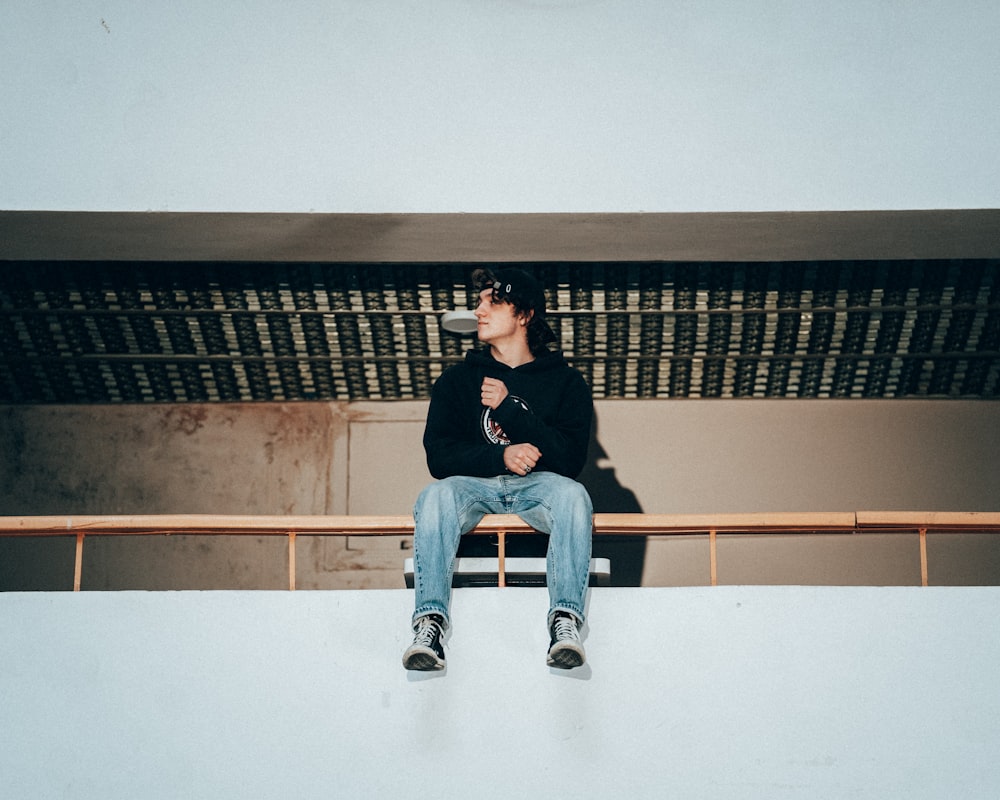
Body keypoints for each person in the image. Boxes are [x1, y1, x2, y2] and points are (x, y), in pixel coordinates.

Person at [402, 267, 595, 671]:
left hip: (537, 488)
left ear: (524, 315)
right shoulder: (457, 380)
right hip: (475, 486)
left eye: (492, 302)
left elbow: (570, 461)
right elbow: (438, 457)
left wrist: (509, 409)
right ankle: (430, 624)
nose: (479, 311)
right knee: (435, 495)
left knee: (572, 496)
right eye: (478, 303)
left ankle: (564, 620)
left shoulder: (566, 382)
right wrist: (500, 457)